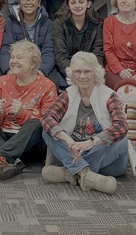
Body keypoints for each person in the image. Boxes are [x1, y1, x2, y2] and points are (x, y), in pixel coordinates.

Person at [0, 41, 58, 183]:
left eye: (20, 58)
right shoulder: (2, 81)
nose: (13, 61)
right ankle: (8, 161)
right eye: (12, 57)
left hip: (29, 144)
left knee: (37, 123)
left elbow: (48, 124)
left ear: (33, 64)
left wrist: (22, 113)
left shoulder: (47, 86)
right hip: (4, 138)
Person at [41, 51, 129, 194]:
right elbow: (47, 118)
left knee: (122, 140)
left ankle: (69, 173)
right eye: (77, 72)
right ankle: (87, 176)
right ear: (72, 74)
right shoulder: (68, 94)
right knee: (48, 131)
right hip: (74, 153)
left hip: (105, 159)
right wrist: (68, 140)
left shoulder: (109, 95)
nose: (82, 76)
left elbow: (121, 125)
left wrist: (92, 142)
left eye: (87, 71)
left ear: (96, 73)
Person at [0, 0, 59, 87]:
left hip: (38, 66)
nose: (28, 2)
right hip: (16, 65)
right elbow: (6, 47)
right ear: (19, 2)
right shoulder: (11, 22)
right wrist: (8, 69)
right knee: (0, 81)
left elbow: (49, 50)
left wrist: (42, 70)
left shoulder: (47, 23)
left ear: (38, 2)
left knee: (53, 83)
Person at [53, 0, 104, 82]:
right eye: (73, 3)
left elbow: (98, 52)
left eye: (81, 2)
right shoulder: (59, 24)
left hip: (90, 70)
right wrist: (73, 73)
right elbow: (60, 54)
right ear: (68, 6)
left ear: (88, 4)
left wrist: (90, 72)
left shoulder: (97, 24)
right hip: (66, 70)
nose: (77, 6)